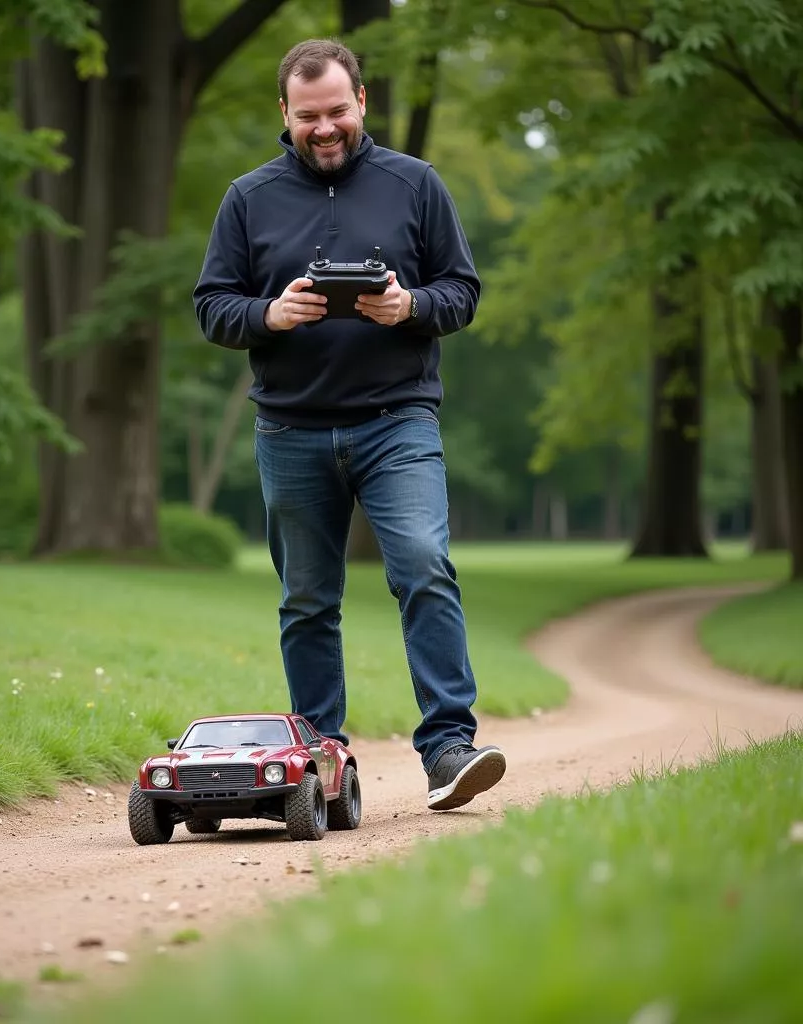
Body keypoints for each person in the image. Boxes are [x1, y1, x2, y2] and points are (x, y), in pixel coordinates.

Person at [192, 38, 506, 811]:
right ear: (285, 115)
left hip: (396, 420)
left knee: (424, 565)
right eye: (308, 117)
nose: (324, 128)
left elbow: (462, 290)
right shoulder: (247, 197)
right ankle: (320, 758)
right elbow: (212, 306)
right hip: (291, 430)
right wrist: (269, 313)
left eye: (337, 111)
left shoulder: (416, 185)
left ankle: (447, 750)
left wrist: (410, 306)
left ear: (361, 101)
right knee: (307, 599)